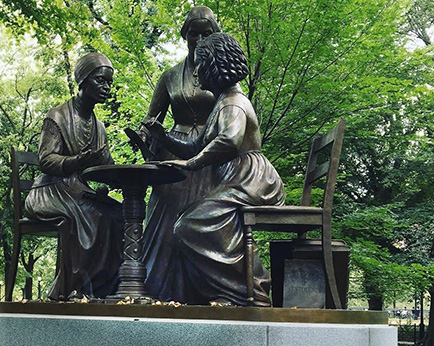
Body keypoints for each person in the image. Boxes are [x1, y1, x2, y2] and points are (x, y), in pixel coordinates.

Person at [145, 33, 285, 306]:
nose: (195, 73)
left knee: (192, 224)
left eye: (200, 65)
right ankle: (234, 289)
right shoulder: (221, 103)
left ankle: (250, 292)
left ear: (214, 65)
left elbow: (230, 141)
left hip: (251, 181)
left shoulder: (232, 102)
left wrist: (191, 164)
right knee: (194, 223)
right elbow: (196, 144)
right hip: (237, 180)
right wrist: (163, 138)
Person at [138, 7, 221, 303]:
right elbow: (151, 119)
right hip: (173, 150)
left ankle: (204, 292)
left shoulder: (220, 74)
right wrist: (145, 135)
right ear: (184, 36)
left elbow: (233, 118)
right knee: (163, 222)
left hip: (210, 153)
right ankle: (159, 291)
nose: (199, 39)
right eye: (193, 33)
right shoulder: (170, 76)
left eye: (206, 33)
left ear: (215, 35)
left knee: (202, 222)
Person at [25, 53, 123, 301]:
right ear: (83, 81)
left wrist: (107, 182)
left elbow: (105, 164)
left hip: (78, 190)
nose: (106, 87)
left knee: (118, 214)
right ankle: (73, 288)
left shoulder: (99, 127)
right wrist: (77, 162)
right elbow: (46, 160)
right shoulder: (56, 117)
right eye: (101, 81)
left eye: (109, 83)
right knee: (91, 215)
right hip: (49, 190)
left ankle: (102, 288)